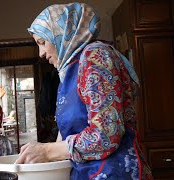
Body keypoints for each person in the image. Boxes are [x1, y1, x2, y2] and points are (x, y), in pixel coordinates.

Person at [15, 2, 153, 179]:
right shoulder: (70, 71)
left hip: (116, 173)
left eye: (42, 42)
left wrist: (47, 151)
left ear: (61, 32)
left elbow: (105, 135)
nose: (41, 53)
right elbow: (65, 135)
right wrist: (42, 155)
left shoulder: (95, 57)